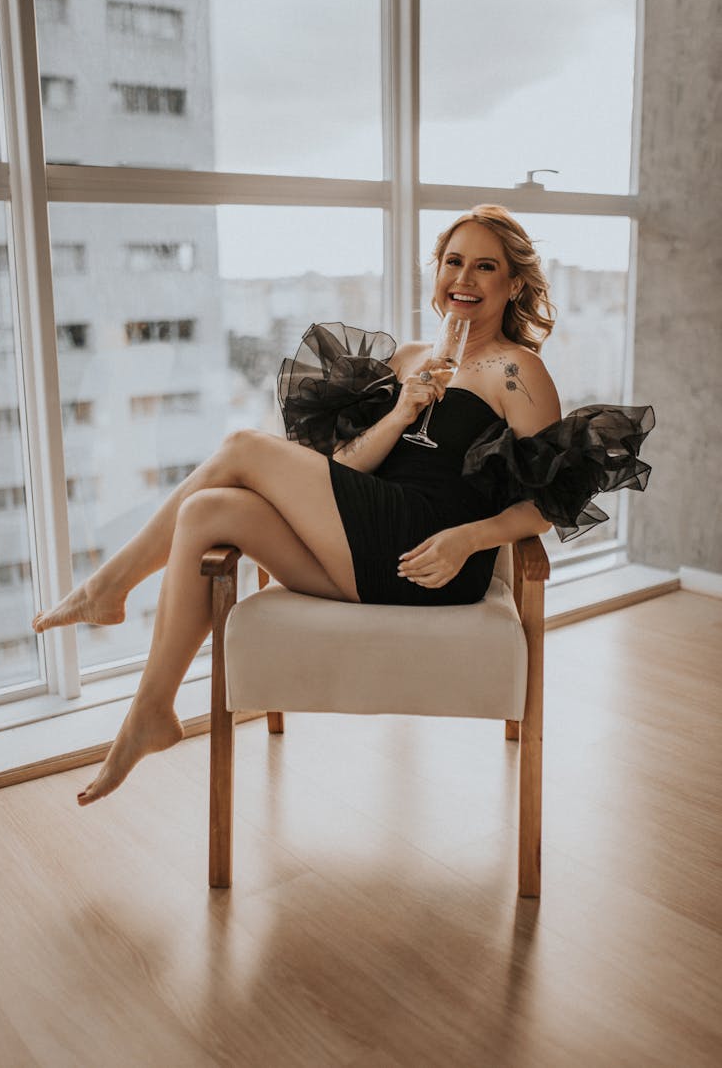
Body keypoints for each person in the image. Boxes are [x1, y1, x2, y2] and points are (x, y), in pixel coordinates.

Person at [32, 204, 654, 805]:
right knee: (208, 511)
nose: (464, 279)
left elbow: (552, 502)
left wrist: (469, 539)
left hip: (430, 552)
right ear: (437, 272)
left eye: (485, 267)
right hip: (369, 537)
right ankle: (153, 710)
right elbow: (345, 469)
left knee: (244, 447)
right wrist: (404, 409)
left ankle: (109, 586)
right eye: (453, 261)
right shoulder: (408, 358)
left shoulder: (517, 371)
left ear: (514, 283)